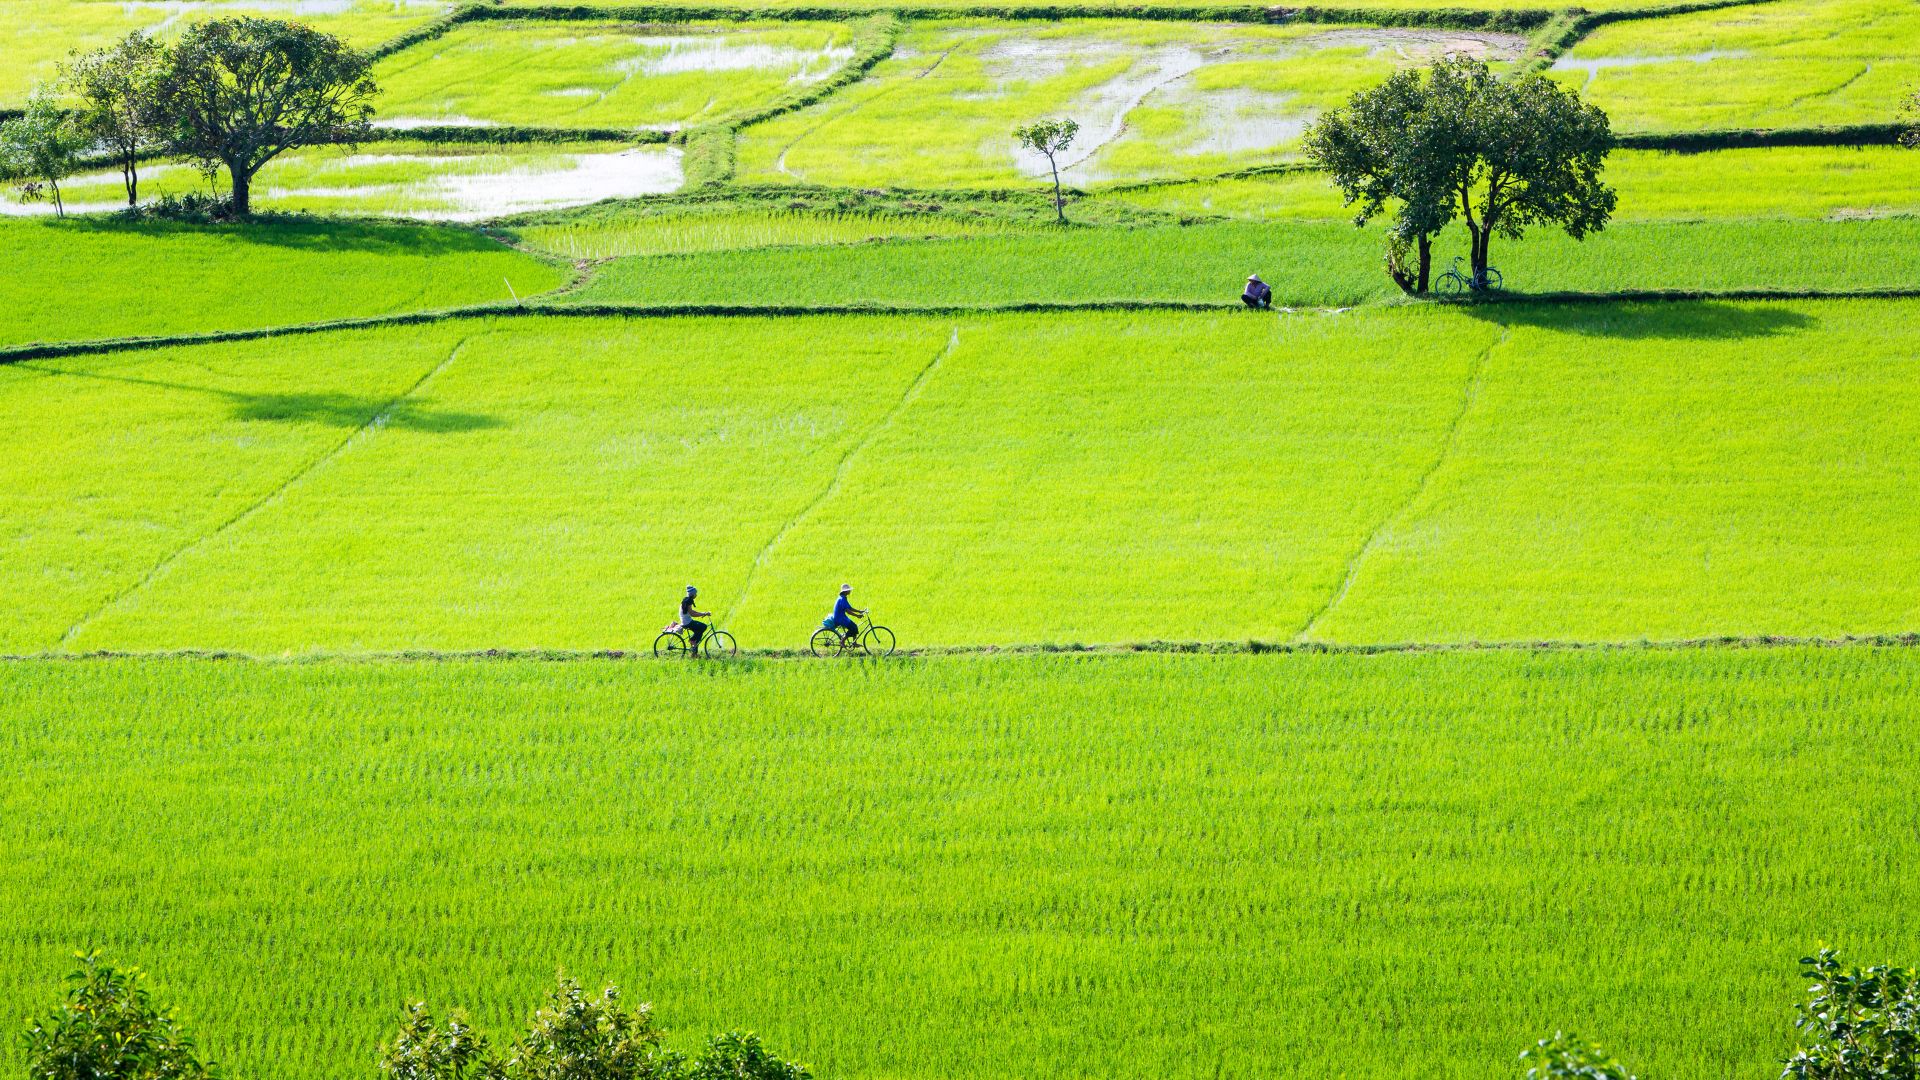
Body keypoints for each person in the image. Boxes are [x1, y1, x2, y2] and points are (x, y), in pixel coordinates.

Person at [679, 585, 710, 651]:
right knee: (703, 626)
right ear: (692, 594)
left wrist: (703, 613)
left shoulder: (686, 599)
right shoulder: (689, 601)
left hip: (686, 621)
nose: (696, 595)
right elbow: (692, 614)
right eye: (695, 593)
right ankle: (692, 640)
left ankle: (694, 652)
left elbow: (692, 611)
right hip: (687, 622)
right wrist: (703, 614)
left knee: (699, 633)